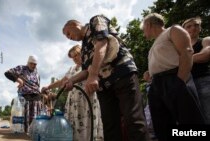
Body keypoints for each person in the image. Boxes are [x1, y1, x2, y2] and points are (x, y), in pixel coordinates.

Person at [62, 15, 150, 141]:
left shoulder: (95, 21)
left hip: (122, 75)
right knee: (109, 125)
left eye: (68, 33)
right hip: (103, 86)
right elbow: (86, 71)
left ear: (75, 24)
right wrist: (71, 80)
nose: (69, 38)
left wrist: (93, 75)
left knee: (133, 119)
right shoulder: (84, 48)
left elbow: (102, 43)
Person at [140, 13, 206, 141]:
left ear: (148, 24)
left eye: (143, 27)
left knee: (190, 122)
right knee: (162, 126)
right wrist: (150, 73)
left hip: (175, 78)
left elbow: (187, 52)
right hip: (157, 85)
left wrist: (180, 81)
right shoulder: (153, 46)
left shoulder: (173, 30)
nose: (143, 31)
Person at [42, 45, 104, 141]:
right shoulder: (72, 69)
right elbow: (61, 81)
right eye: (73, 57)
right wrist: (48, 87)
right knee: (72, 126)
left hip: (86, 100)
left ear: (82, 53)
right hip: (73, 102)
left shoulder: (89, 65)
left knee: (87, 124)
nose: (75, 58)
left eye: (76, 55)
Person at [182, 17, 210, 124]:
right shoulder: (179, 48)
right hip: (185, 85)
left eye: (196, 25)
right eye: (189, 26)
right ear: (183, 31)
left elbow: (206, 55)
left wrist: (181, 61)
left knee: (207, 115)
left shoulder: (205, 40)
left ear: (200, 28)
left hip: (204, 81)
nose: (193, 28)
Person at [4, 55, 42, 133]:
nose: (33, 66)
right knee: (25, 122)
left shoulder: (37, 72)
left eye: (35, 64)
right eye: (31, 63)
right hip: (26, 97)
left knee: (35, 121)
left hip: (37, 99)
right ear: (28, 62)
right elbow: (7, 73)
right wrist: (18, 80)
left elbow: (38, 85)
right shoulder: (21, 68)